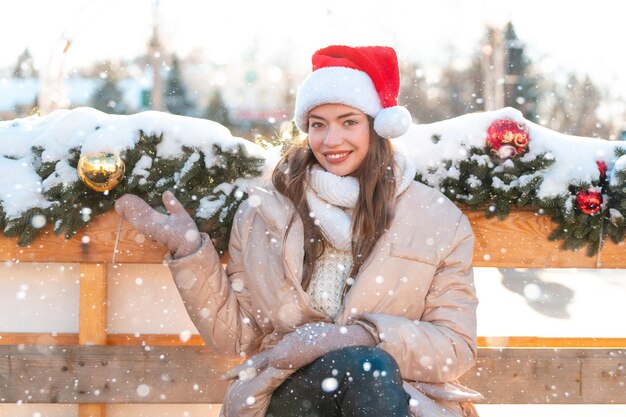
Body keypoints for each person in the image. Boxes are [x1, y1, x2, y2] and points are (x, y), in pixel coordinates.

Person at [115, 45, 481, 417]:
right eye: (318, 124)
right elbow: (236, 336)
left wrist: (353, 337)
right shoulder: (266, 211)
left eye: (348, 121)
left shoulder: (435, 219)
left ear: (377, 125)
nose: (330, 140)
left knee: (369, 368)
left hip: (395, 397)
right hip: (290, 394)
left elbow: (455, 348)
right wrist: (189, 250)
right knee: (364, 369)